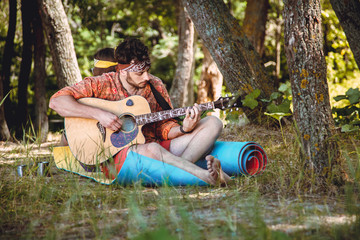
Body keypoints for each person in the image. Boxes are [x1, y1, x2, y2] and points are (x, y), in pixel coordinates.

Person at [49, 38, 230, 186]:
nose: (146, 77)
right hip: (116, 154)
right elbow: (56, 102)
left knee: (213, 123)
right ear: (123, 70)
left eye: (147, 70)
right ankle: (205, 176)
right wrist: (99, 114)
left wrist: (184, 129)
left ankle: (184, 168)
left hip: (157, 146)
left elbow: (164, 127)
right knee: (152, 148)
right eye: (139, 73)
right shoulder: (101, 83)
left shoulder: (155, 85)